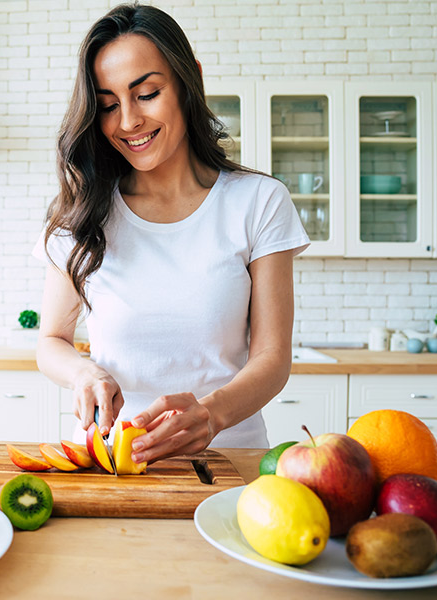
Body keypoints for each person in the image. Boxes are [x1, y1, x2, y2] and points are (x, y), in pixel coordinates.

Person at [32, 3, 309, 463]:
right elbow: (51, 342)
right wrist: (83, 374)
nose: (127, 122)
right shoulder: (81, 213)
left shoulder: (258, 201)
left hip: (230, 461)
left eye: (147, 94)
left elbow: (272, 359)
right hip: (115, 460)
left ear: (190, 80)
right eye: (108, 105)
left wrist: (211, 415)